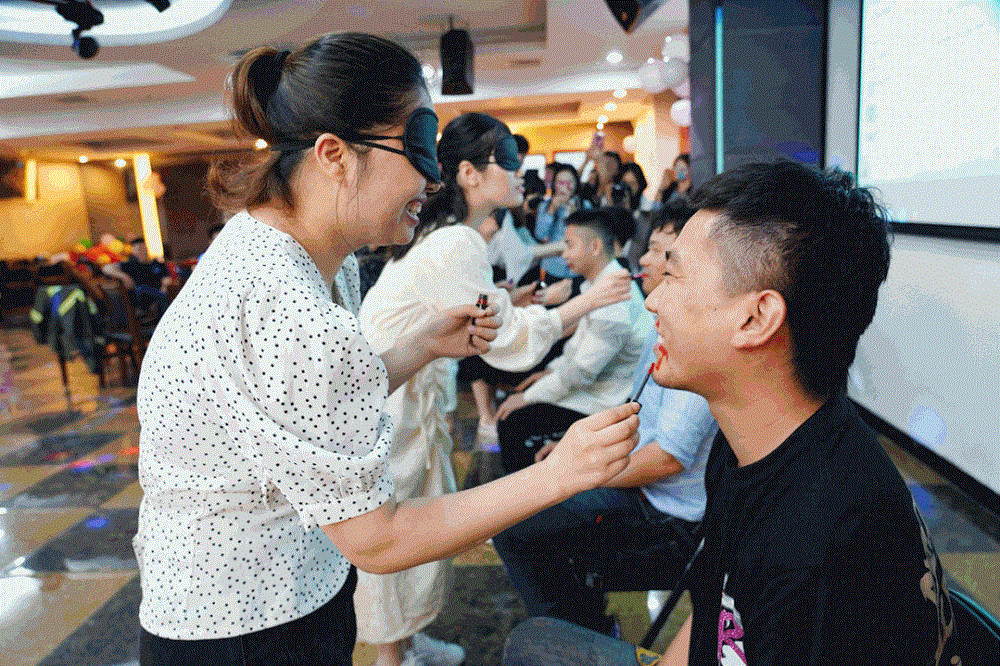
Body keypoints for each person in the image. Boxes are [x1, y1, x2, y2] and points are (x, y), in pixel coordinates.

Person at [134, 33, 640, 666]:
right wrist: (559, 475)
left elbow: (309, 400)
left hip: (275, 587)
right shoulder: (288, 305)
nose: (433, 178)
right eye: (416, 148)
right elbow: (378, 540)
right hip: (242, 624)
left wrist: (422, 346)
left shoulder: (307, 256)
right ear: (335, 156)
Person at [502, 160, 957, 666]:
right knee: (531, 642)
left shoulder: (815, 548)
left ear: (756, 318)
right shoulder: (745, 444)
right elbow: (715, 606)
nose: (653, 303)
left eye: (674, 277)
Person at [355, 112, 632, 666]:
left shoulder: (450, 236)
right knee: (396, 529)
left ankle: (408, 640)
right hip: (392, 401)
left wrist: (514, 300)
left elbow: (487, 313)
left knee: (416, 518)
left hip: (408, 392)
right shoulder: (455, 240)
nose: (519, 172)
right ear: (469, 173)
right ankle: (391, 656)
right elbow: (504, 339)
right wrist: (586, 303)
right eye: (507, 161)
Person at [492, 202, 718, 637]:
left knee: (514, 530)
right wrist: (583, 451)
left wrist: (582, 471)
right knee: (527, 500)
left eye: (661, 253)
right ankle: (583, 621)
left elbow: (667, 458)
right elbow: (636, 407)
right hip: (643, 485)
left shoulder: (695, 340)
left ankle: (577, 638)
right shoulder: (660, 316)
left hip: (665, 516)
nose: (643, 260)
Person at [496, 208, 651, 473]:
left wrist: (528, 398)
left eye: (570, 245)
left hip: (601, 403)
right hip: (589, 388)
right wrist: (547, 373)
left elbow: (580, 374)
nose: (564, 254)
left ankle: (530, 493)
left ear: (595, 247)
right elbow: (576, 349)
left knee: (513, 421)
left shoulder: (614, 300)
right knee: (523, 388)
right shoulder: (601, 283)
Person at [533, 162, 588, 285]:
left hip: (578, 268)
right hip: (553, 267)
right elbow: (540, 235)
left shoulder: (585, 206)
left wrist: (576, 217)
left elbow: (587, 238)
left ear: (576, 184)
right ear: (554, 184)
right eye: (560, 182)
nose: (564, 187)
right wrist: (552, 209)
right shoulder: (545, 205)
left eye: (569, 182)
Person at [102, 236, 174, 320]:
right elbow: (106, 268)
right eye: (139, 249)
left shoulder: (158, 264)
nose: (142, 252)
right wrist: (124, 276)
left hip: (158, 294)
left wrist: (164, 286)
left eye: (143, 248)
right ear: (134, 251)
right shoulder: (130, 264)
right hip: (140, 299)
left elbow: (166, 278)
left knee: (165, 297)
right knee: (141, 289)